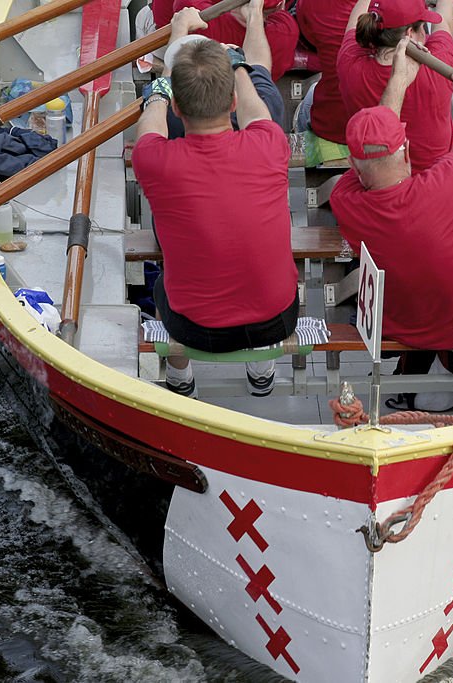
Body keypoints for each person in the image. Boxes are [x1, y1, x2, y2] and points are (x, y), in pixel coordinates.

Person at [131, 5, 299, 398]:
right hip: (277, 319)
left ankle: (180, 379)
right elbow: (258, 110)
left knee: (161, 282)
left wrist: (176, 42)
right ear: (233, 103)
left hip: (194, 327)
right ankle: (262, 372)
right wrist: (236, 62)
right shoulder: (270, 143)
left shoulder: (153, 159)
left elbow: (153, 112)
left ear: (176, 106)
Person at [330, 39, 453, 392]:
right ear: (408, 149)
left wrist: (398, 81)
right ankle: (444, 364)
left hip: (399, 327)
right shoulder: (447, 182)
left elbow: (374, 148)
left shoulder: (345, 201)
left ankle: (420, 366)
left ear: (352, 164)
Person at [337, 0, 453, 174]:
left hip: (378, 178)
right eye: (422, 27)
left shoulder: (349, 61)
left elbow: (354, 19)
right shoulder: (439, 63)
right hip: (435, 178)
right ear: (410, 33)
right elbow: (444, 23)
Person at [161, 0, 285, 137]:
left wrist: (180, 27)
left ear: (175, 107)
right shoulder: (266, 138)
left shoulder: (161, 137)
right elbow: (257, 62)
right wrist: (254, 12)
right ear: (234, 102)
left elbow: (162, 90)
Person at [173, 0, 298, 79]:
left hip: (200, 93)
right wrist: (254, 14)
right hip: (257, 100)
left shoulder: (190, 8)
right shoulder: (287, 30)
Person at [294, 0, 357, 143]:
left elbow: (312, 40)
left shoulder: (309, 4)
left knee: (309, 99)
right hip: (386, 130)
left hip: (330, 124)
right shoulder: (398, 8)